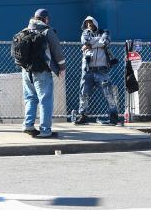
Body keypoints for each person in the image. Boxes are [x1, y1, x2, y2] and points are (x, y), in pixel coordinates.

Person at [18, 8, 66, 138]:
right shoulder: (47, 31)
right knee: (45, 100)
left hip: (26, 71)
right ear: (45, 19)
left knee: (30, 98)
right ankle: (45, 130)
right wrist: (62, 68)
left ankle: (28, 125)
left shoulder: (25, 30)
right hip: (42, 71)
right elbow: (57, 51)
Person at [74, 16, 119, 125]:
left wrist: (91, 44)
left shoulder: (105, 31)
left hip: (102, 69)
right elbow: (85, 41)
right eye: (87, 23)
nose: (89, 25)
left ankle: (113, 116)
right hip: (88, 70)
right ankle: (82, 115)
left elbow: (105, 41)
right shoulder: (85, 33)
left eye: (91, 22)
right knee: (83, 93)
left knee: (108, 93)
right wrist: (96, 43)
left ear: (95, 23)